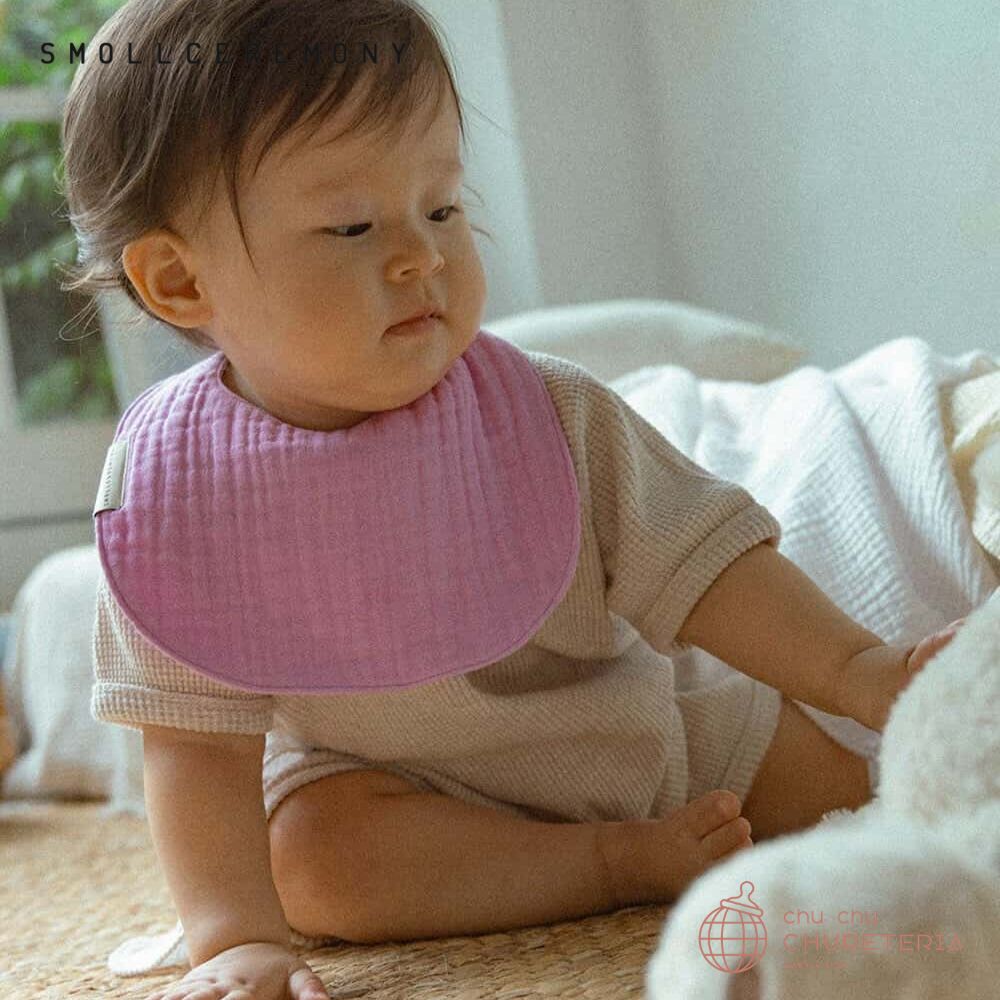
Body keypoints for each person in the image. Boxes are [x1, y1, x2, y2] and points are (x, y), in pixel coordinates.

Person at [60, 2, 965, 998]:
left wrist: (859, 671)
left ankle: (699, 825)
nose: (421, 255)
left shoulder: (543, 415)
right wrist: (234, 939)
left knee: (896, 807)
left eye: (442, 207)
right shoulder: (177, 499)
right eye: (352, 225)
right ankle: (611, 864)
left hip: (653, 737)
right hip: (405, 796)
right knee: (309, 858)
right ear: (180, 280)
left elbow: (708, 565)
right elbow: (195, 748)